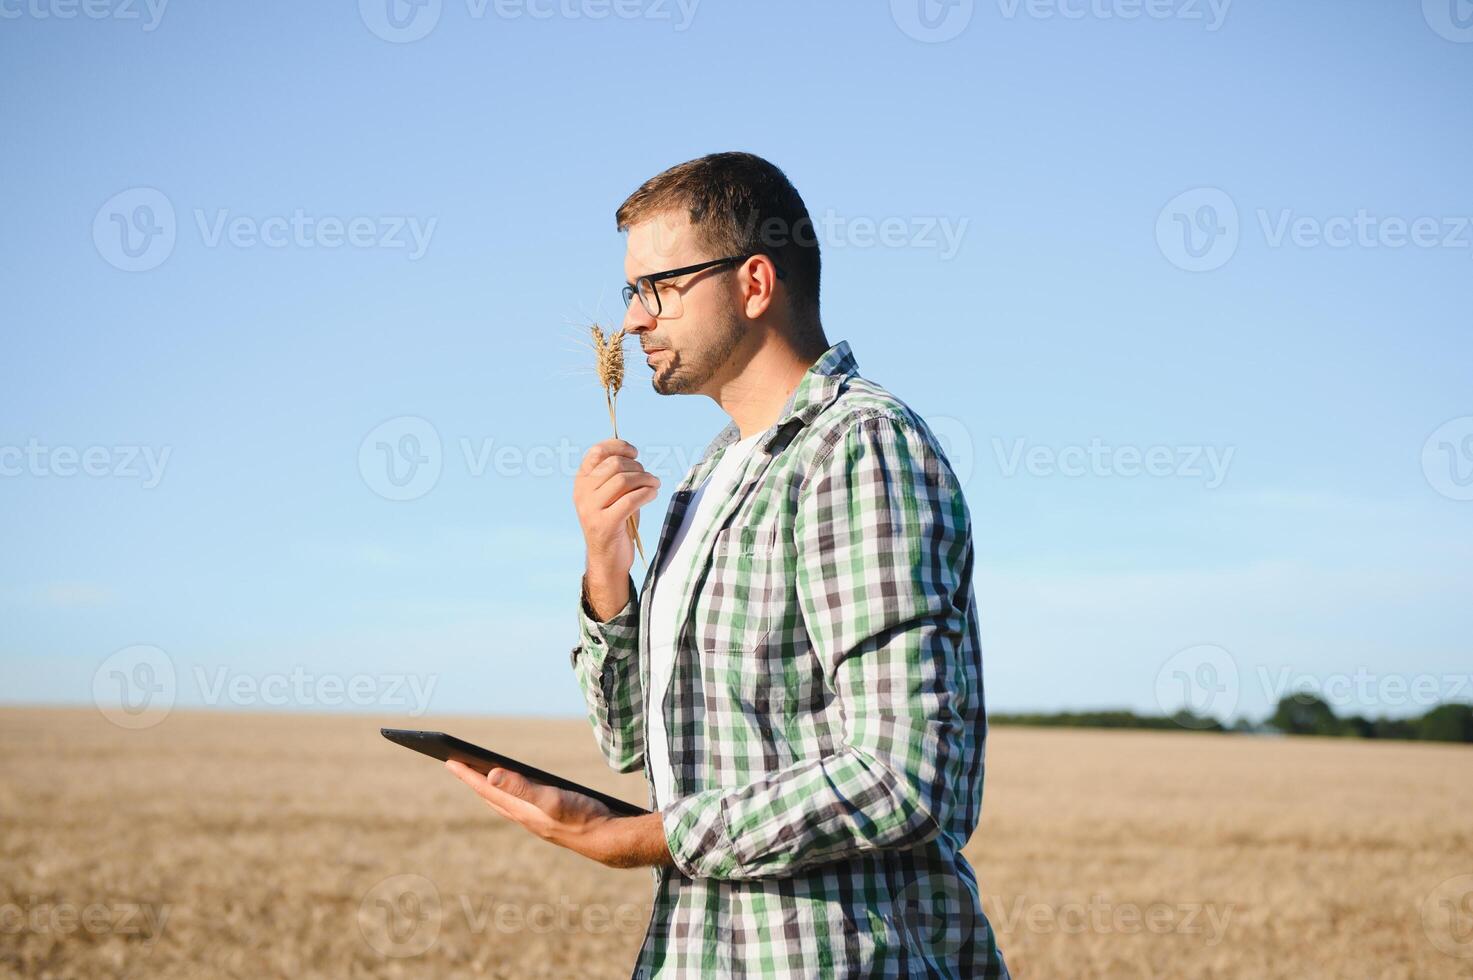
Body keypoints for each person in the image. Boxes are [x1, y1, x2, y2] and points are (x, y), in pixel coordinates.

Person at [446, 151, 1009, 978]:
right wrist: (606, 566)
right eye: (630, 294)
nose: (634, 321)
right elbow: (631, 744)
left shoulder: (858, 448)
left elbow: (905, 775)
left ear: (753, 283)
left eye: (657, 289)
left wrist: (644, 838)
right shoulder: (708, 478)